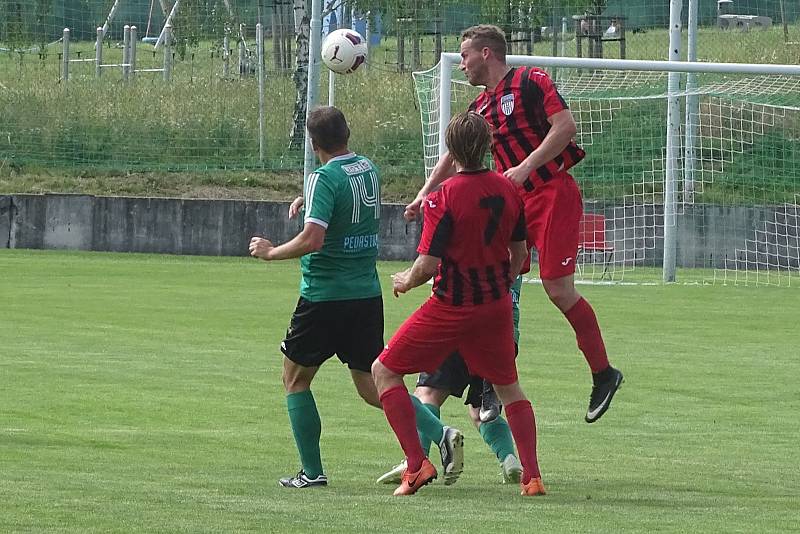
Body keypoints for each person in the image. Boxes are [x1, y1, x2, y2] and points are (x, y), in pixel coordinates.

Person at [404, 24, 623, 424]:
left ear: (486, 53)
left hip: (551, 192)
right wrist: (424, 193)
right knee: (494, 284)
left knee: (558, 290)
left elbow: (565, 127)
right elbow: (452, 157)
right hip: (511, 203)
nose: (462, 63)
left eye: (465, 54)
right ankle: (491, 382)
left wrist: (524, 167)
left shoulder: (530, 81)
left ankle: (603, 373)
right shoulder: (478, 108)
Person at [250, 105, 459, 489]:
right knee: (373, 386)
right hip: (365, 295)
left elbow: (314, 239)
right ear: (347, 134)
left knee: (294, 380)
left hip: (324, 297)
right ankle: (441, 433)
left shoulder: (321, 178)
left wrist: (271, 251)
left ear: (314, 144)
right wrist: (308, 199)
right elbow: (343, 196)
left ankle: (311, 473)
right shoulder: (366, 167)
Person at [372, 111, 545, 497]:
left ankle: (417, 465)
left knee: (383, 370)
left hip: (450, 308)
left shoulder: (443, 198)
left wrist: (404, 280)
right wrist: (500, 282)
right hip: (495, 307)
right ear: (489, 147)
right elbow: (519, 254)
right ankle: (531, 477)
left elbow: (427, 265)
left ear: (451, 152)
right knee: (509, 389)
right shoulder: (508, 190)